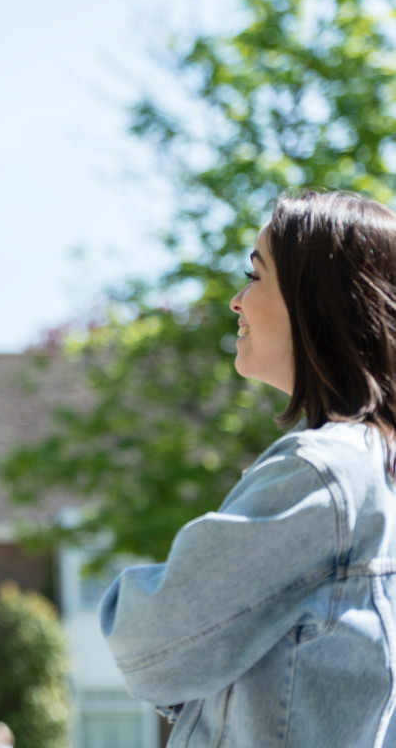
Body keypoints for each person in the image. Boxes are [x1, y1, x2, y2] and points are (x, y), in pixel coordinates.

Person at [100, 189, 396, 747]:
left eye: (255, 276)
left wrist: (139, 594)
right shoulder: (379, 468)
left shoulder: (321, 475)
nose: (237, 302)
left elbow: (148, 642)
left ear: (318, 303)